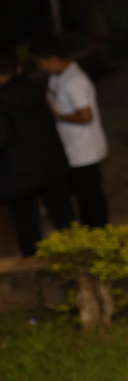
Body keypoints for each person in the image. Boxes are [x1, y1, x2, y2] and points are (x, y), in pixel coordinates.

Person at [0, 50, 75, 256]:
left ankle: (35, 266)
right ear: (18, 68)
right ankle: (77, 257)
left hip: (19, 171)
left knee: (27, 224)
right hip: (51, 162)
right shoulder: (35, 87)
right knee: (64, 217)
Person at [33, 51, 109, 227]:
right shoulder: (57, 76)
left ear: (53, 58)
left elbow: (85, 116)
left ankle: (99, 230)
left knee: (91, 197)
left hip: (84, 150)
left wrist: (58, 116)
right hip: (73, 148)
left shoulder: (75, 81)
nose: (39, 67)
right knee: (82, 195)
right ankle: (90, 230)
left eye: (40, 62)